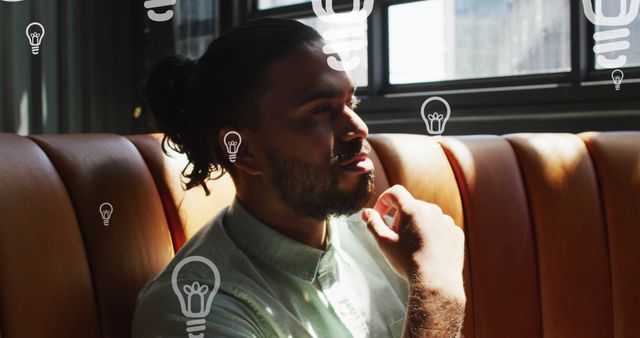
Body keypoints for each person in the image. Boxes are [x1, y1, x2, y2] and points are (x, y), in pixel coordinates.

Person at [132, 18, 466, 338]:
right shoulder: (192, 309)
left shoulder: (385, 241)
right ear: (244, 150)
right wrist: (437, 295)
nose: (359, 128)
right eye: (321, 110)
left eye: (352, 101)